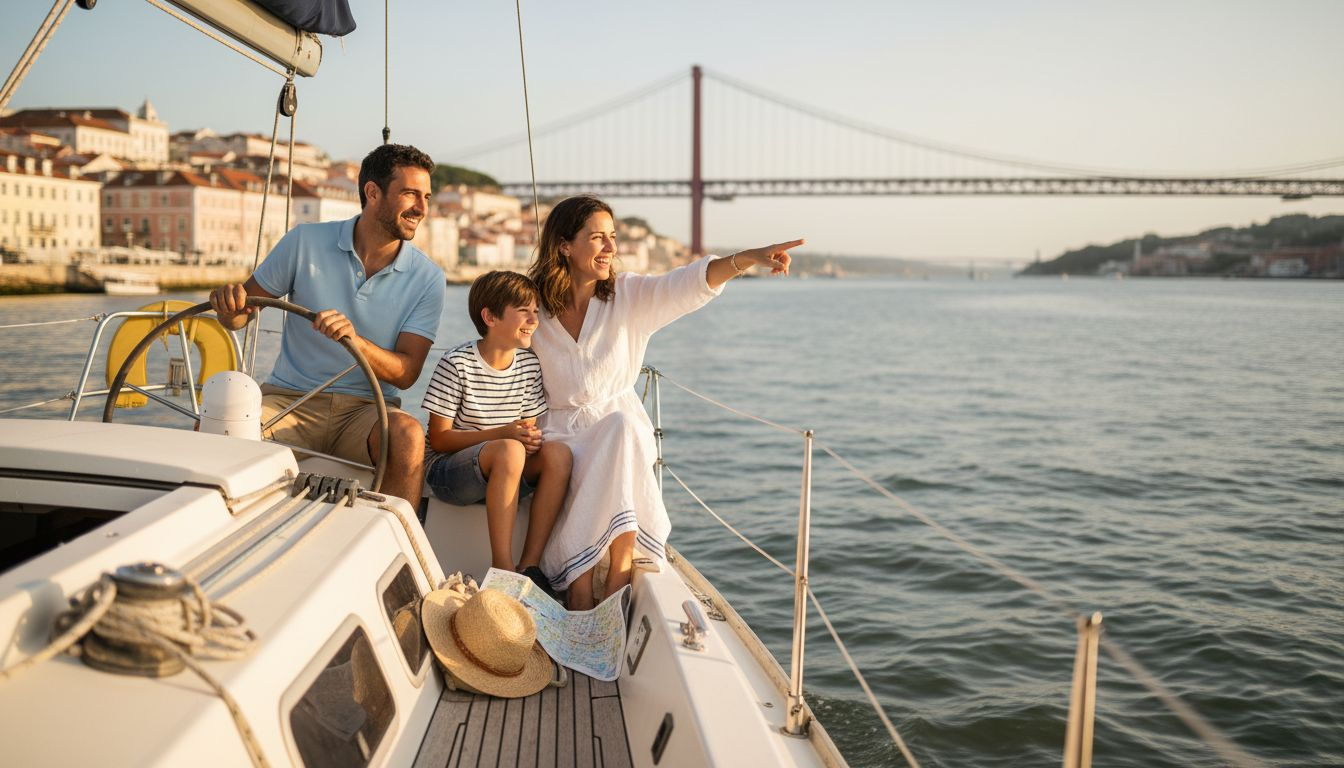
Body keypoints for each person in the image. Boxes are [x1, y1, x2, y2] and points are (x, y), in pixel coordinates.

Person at [528, 194, 802, 609]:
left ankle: (613, 574)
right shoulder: (536, 308)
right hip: (560, 436)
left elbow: (687, 282)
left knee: (622, 430)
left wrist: (747, 258)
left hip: (618, 429)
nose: (611, 247)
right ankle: (582, 585)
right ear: (564, 245)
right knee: (618, 438)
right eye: (598, 237)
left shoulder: (627, 295)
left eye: (613, 236)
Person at [208, 143, 445, 506]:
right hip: (290, 401)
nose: (422, 209)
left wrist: (354, 340)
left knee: (408, 435)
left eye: (426, 197)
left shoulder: (428, 278)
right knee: (216, 423)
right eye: (410, 194)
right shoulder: (304, 241)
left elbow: (407, 372)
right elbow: (242, 314)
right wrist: (229, 307)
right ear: (373, 193)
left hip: (367, 410)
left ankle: (393, 536)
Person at [422, 271, 571, 594]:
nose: (534, 320)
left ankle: (529, 565)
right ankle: (503, 568)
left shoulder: (529, 366)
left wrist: (528, 438)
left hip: (504, 467)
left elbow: (525, 430)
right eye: (524, 311)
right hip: (449, 475)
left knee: (559, 455)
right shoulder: (456, 363)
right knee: (510, 449)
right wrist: (504, 434)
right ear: (490, 317)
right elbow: (440, 440)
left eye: (535, 311)